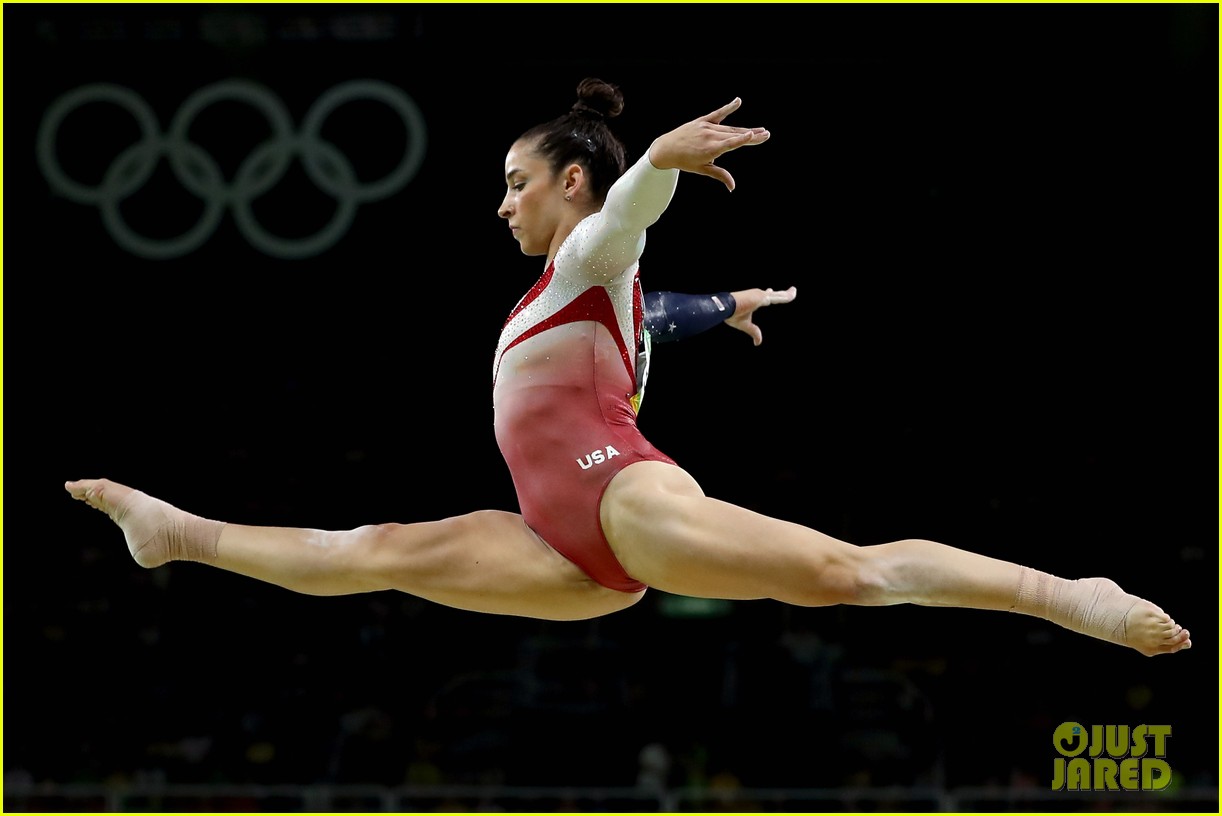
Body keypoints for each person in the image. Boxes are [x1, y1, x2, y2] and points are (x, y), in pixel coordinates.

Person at [66, 77, 1190, 657]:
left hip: (621, 495)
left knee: (850, 576)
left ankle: (1065, 596)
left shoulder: (588, 247)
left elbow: (627, 237)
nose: (502, 200)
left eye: (517, 180)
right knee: (381, 552)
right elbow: (645, 308)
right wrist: (721, 307)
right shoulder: (570, 299)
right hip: (564, 556)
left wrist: (652, 157)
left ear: (568, 183)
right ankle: (179, 534)